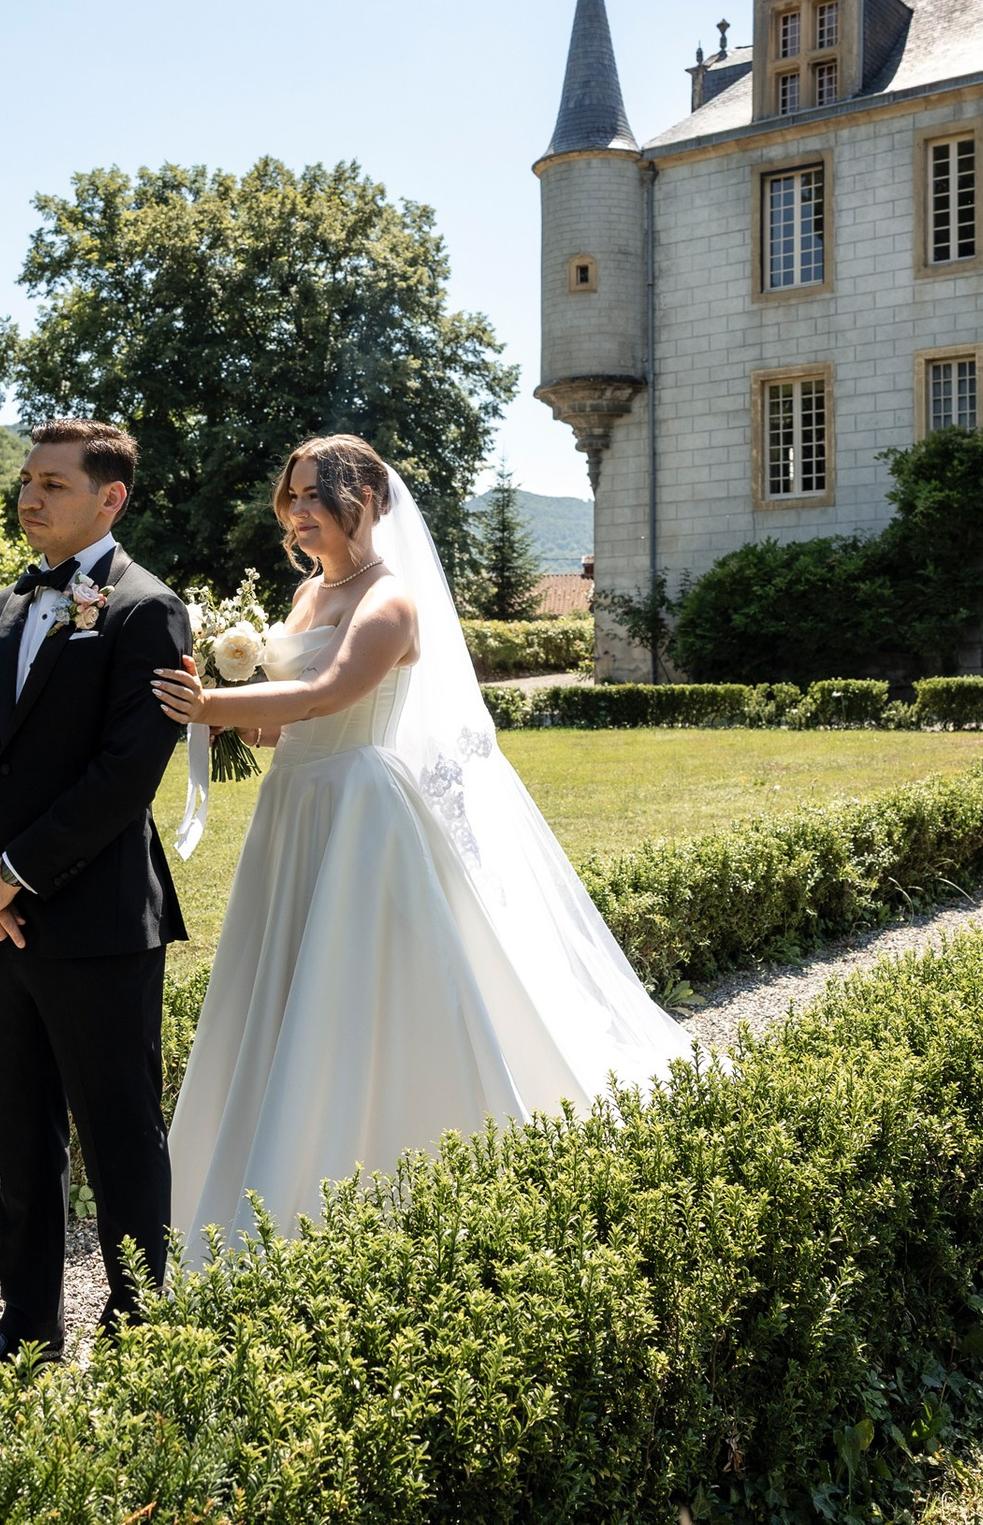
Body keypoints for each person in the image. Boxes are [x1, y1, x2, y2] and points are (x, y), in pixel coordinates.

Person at [150, 434, 695, 1266]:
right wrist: (235, 717)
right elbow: (281, 724)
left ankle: (365, 1157)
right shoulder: (305, 595)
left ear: (364, 499)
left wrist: (210, 704)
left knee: (356, 986)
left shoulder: (391, 602)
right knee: (282, 978)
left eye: (314, 495)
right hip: (293, 804)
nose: (297, 512)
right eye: (291, 497)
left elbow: (327, 693)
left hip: (359, 807)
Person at [0, 418, 191, 1401]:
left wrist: (14, 873)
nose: (29, 496)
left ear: (109, 498)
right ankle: (27, 1328)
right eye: (26, 480)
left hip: (98, 926)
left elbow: (125, 774)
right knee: (21, 1139)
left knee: (120, 1138)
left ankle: (138, 1335)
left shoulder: (147, 610)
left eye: (53, 483)